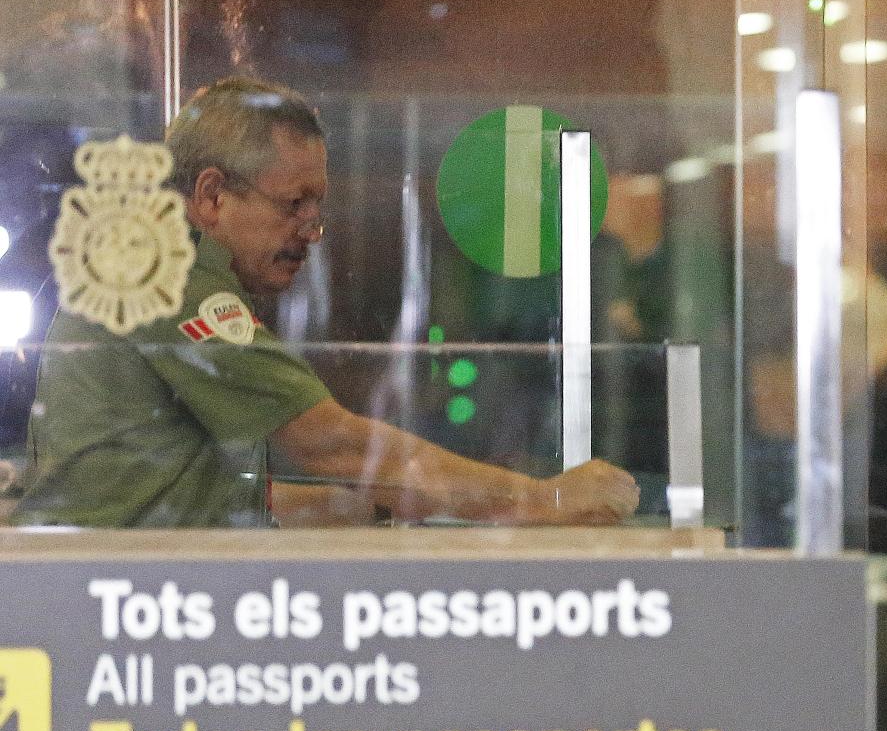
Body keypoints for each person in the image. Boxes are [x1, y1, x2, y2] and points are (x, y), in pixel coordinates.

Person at [12, 76, 640, 528]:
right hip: (108, 610)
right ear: (211, 196)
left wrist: (375, 503)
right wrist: (543, 501)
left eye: (318, 208)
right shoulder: (170, 287)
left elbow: (191, 490)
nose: (313, 231)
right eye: (294, 204)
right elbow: (327, 444)